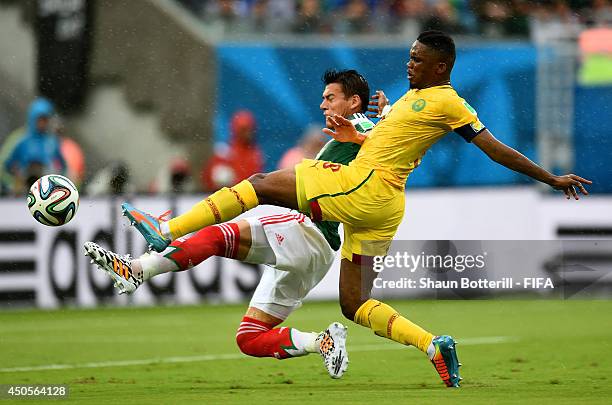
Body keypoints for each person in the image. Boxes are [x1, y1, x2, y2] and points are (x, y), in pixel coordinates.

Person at [122, 31, 592, 388]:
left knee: (262, 184)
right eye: (409, 57)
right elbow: (396, 139)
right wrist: (361, 134)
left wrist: (550, 178)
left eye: (417, 60)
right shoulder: (417, 100)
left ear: (441, 65)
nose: (408, 64)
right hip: (385, 206)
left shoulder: (450, 101)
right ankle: (433, 345)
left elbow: (494, 148)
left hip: (364, 186)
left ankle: (167, 229)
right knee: (354, 302)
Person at [85, 69, 376, 379]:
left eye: (330, 98)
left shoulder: (360, 128)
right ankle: (322, 341)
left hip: (307, 229)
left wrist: (384, 118)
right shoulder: (357, 135)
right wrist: (385, 116)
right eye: (322, 98)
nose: (323, 105)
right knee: (249, 338)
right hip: (320, 255)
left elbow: (394, 138)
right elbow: (391, 143)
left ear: (354, 102)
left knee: (217, 236)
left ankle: (139, 269)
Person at [3, 98, 66, 195]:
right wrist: (15, 179)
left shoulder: (52, 142)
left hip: (47, 191)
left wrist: (56, 180)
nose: (43, 123)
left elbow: (63, 167)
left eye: (45, 119)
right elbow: (7, 166)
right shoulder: (22, 141)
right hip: (24, 190)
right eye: (40, 119)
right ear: (33, 118)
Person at [200, 109, 264, 191]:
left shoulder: (255, 153)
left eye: (250, 129)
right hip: (230, 196)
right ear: (235, 130)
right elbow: (207, 179)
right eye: (244, 130)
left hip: (249, 196)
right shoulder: (224, 152)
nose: (248, 133)